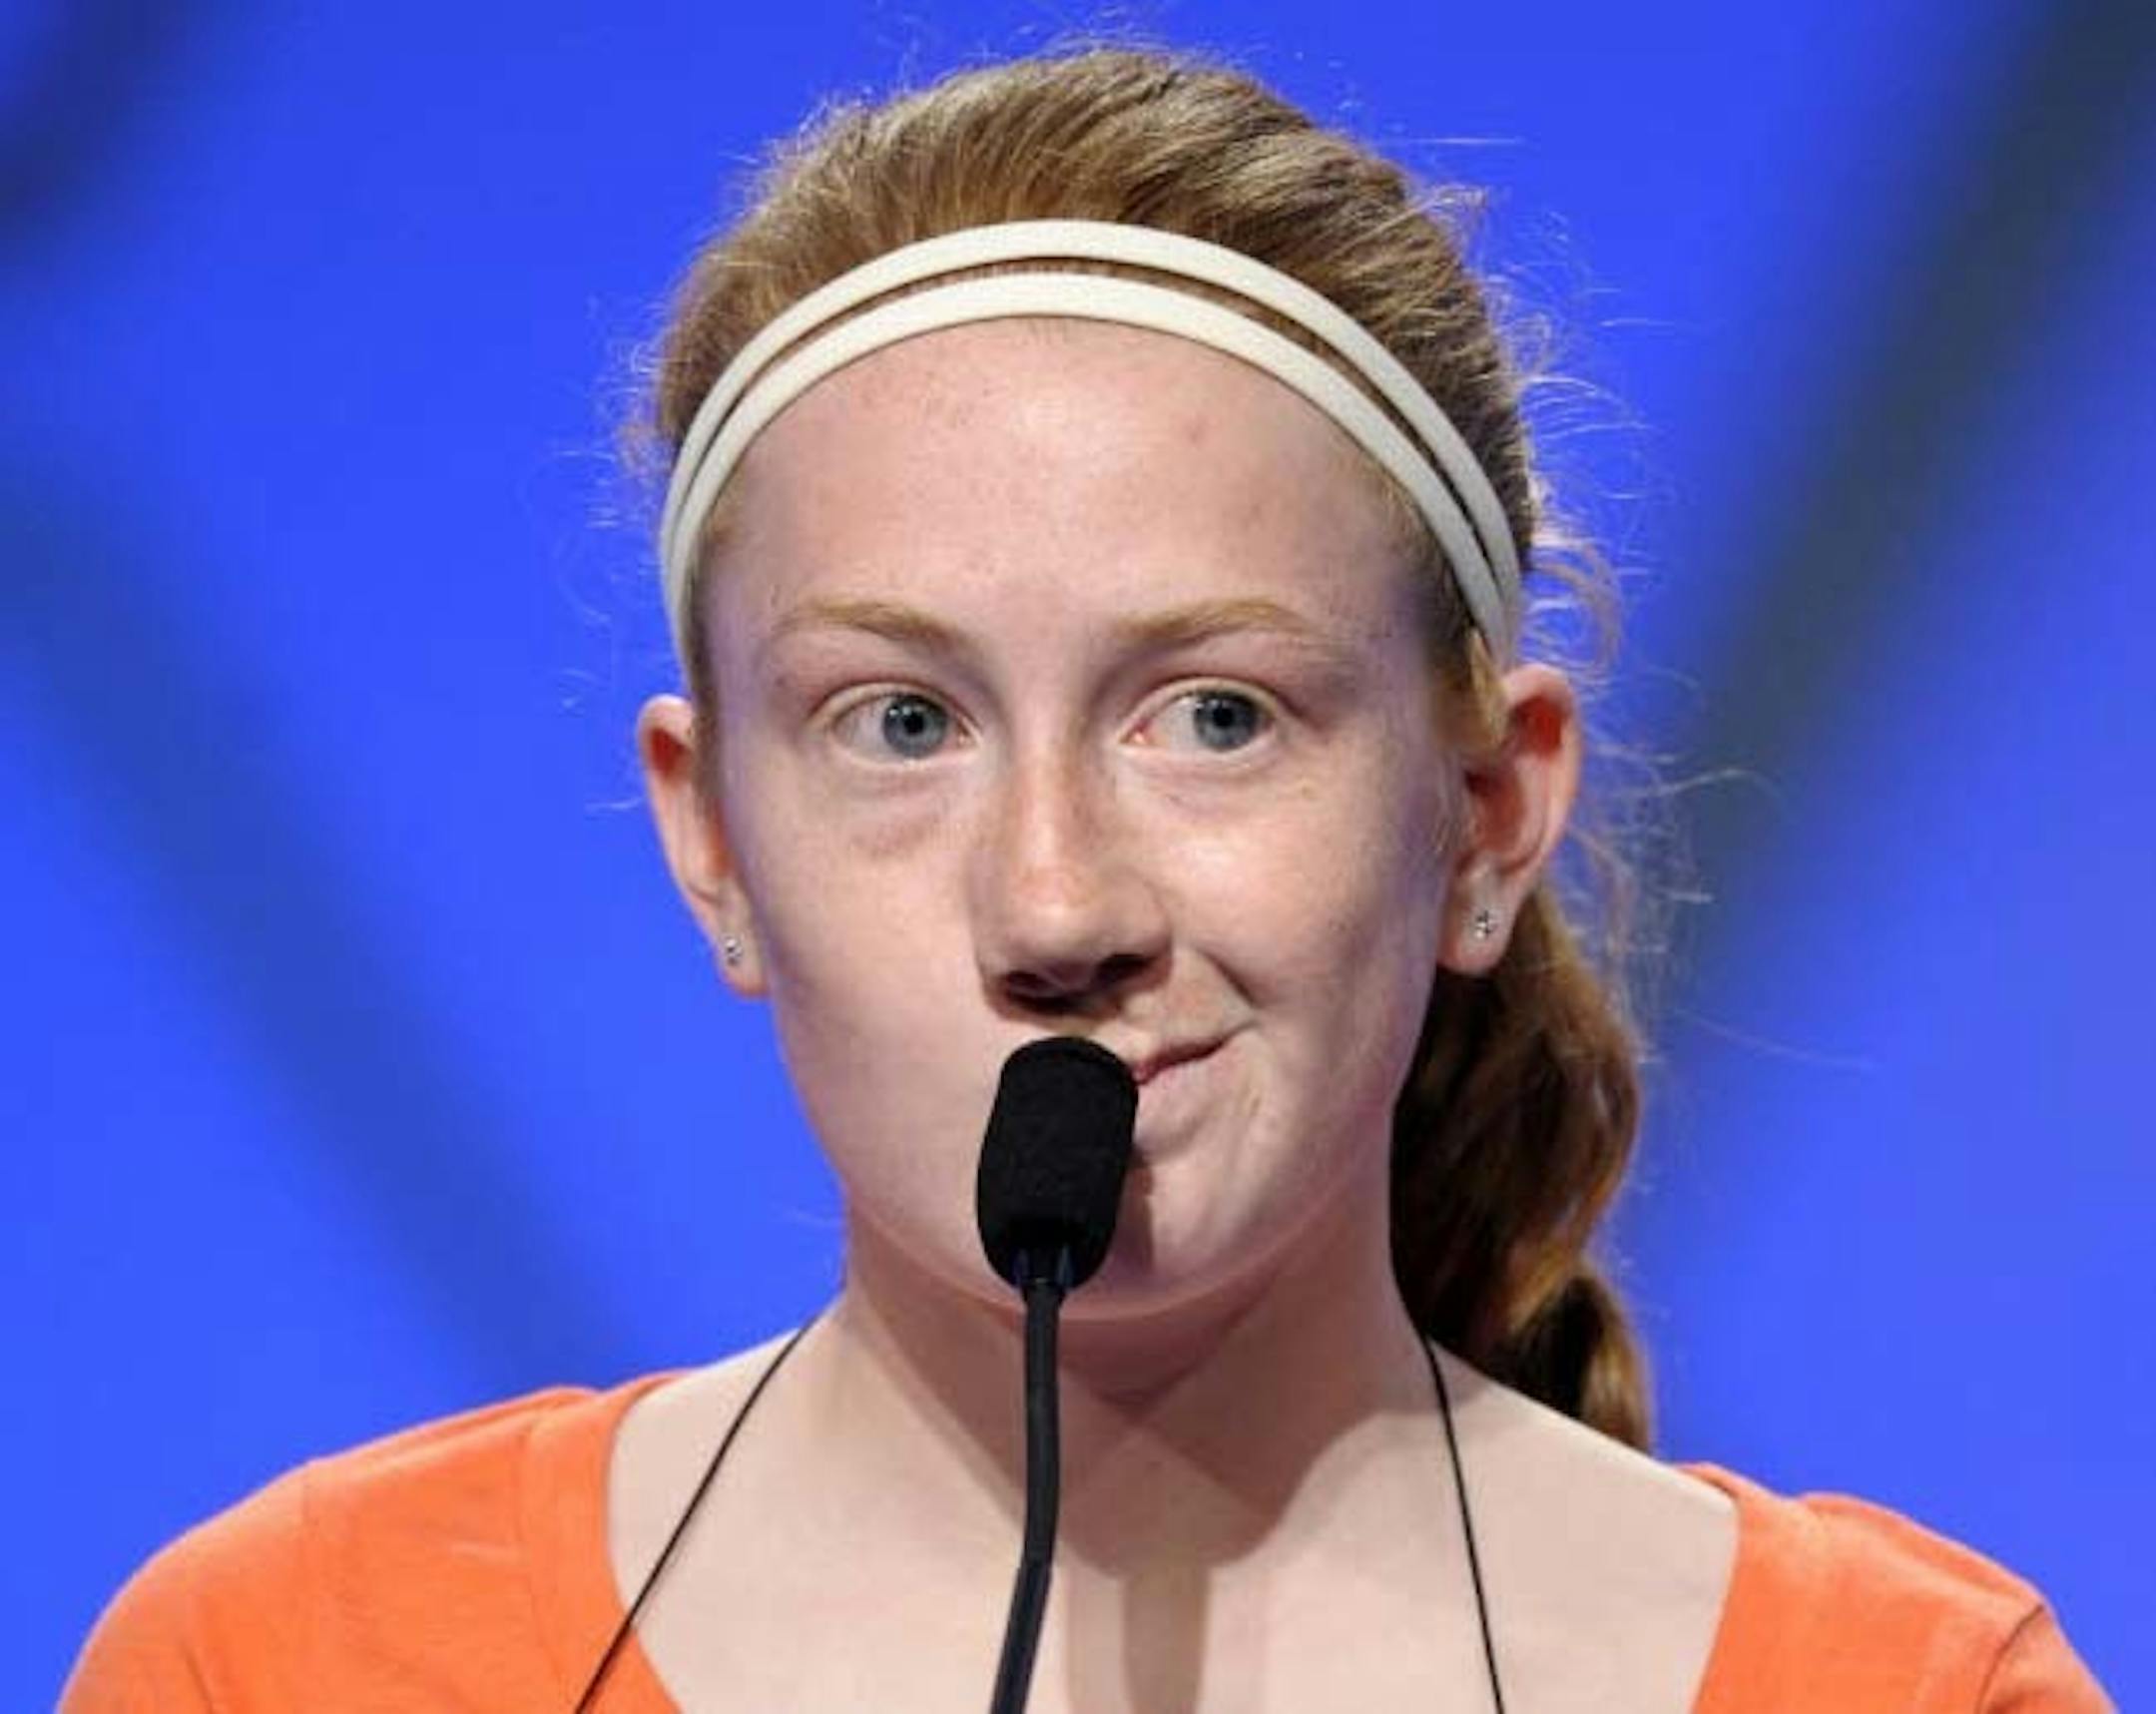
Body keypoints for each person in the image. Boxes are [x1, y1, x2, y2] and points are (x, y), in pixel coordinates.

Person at [62, 41, 2110, 1713]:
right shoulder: (287, 1661)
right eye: (902, 722)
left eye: (1215, 714)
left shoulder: (1905, 1687)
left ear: (1487, 811)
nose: (1056, 906)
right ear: (711, 842)